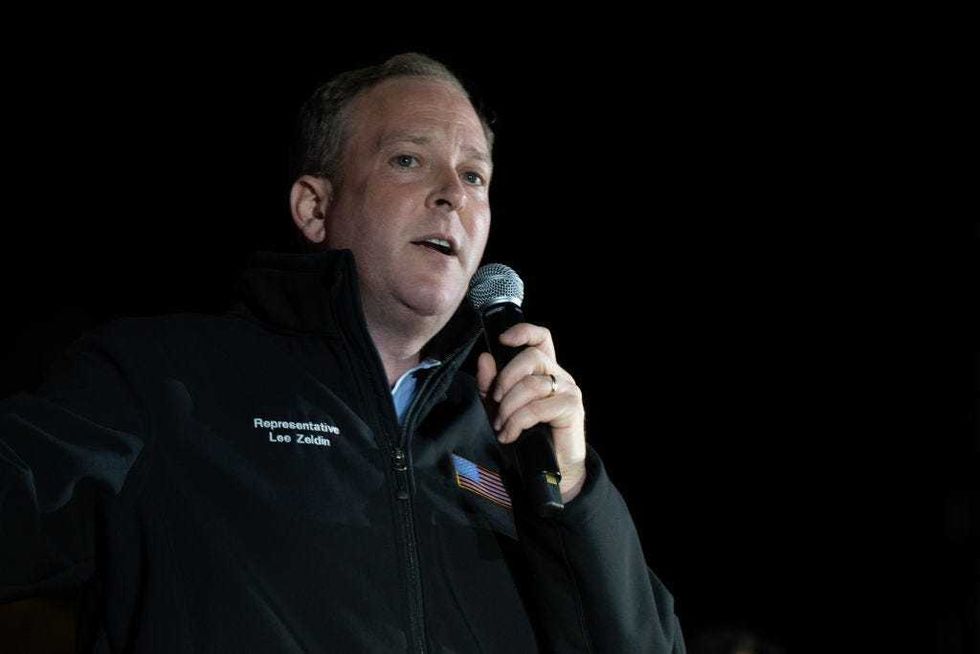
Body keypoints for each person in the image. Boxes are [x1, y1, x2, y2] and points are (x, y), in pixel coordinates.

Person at [0, 52, 685, 652]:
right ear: (313, 207)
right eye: (408, 160)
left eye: (474, 176)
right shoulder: (166, 379)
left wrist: (572, 488)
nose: (452, 194)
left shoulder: (513, 446)